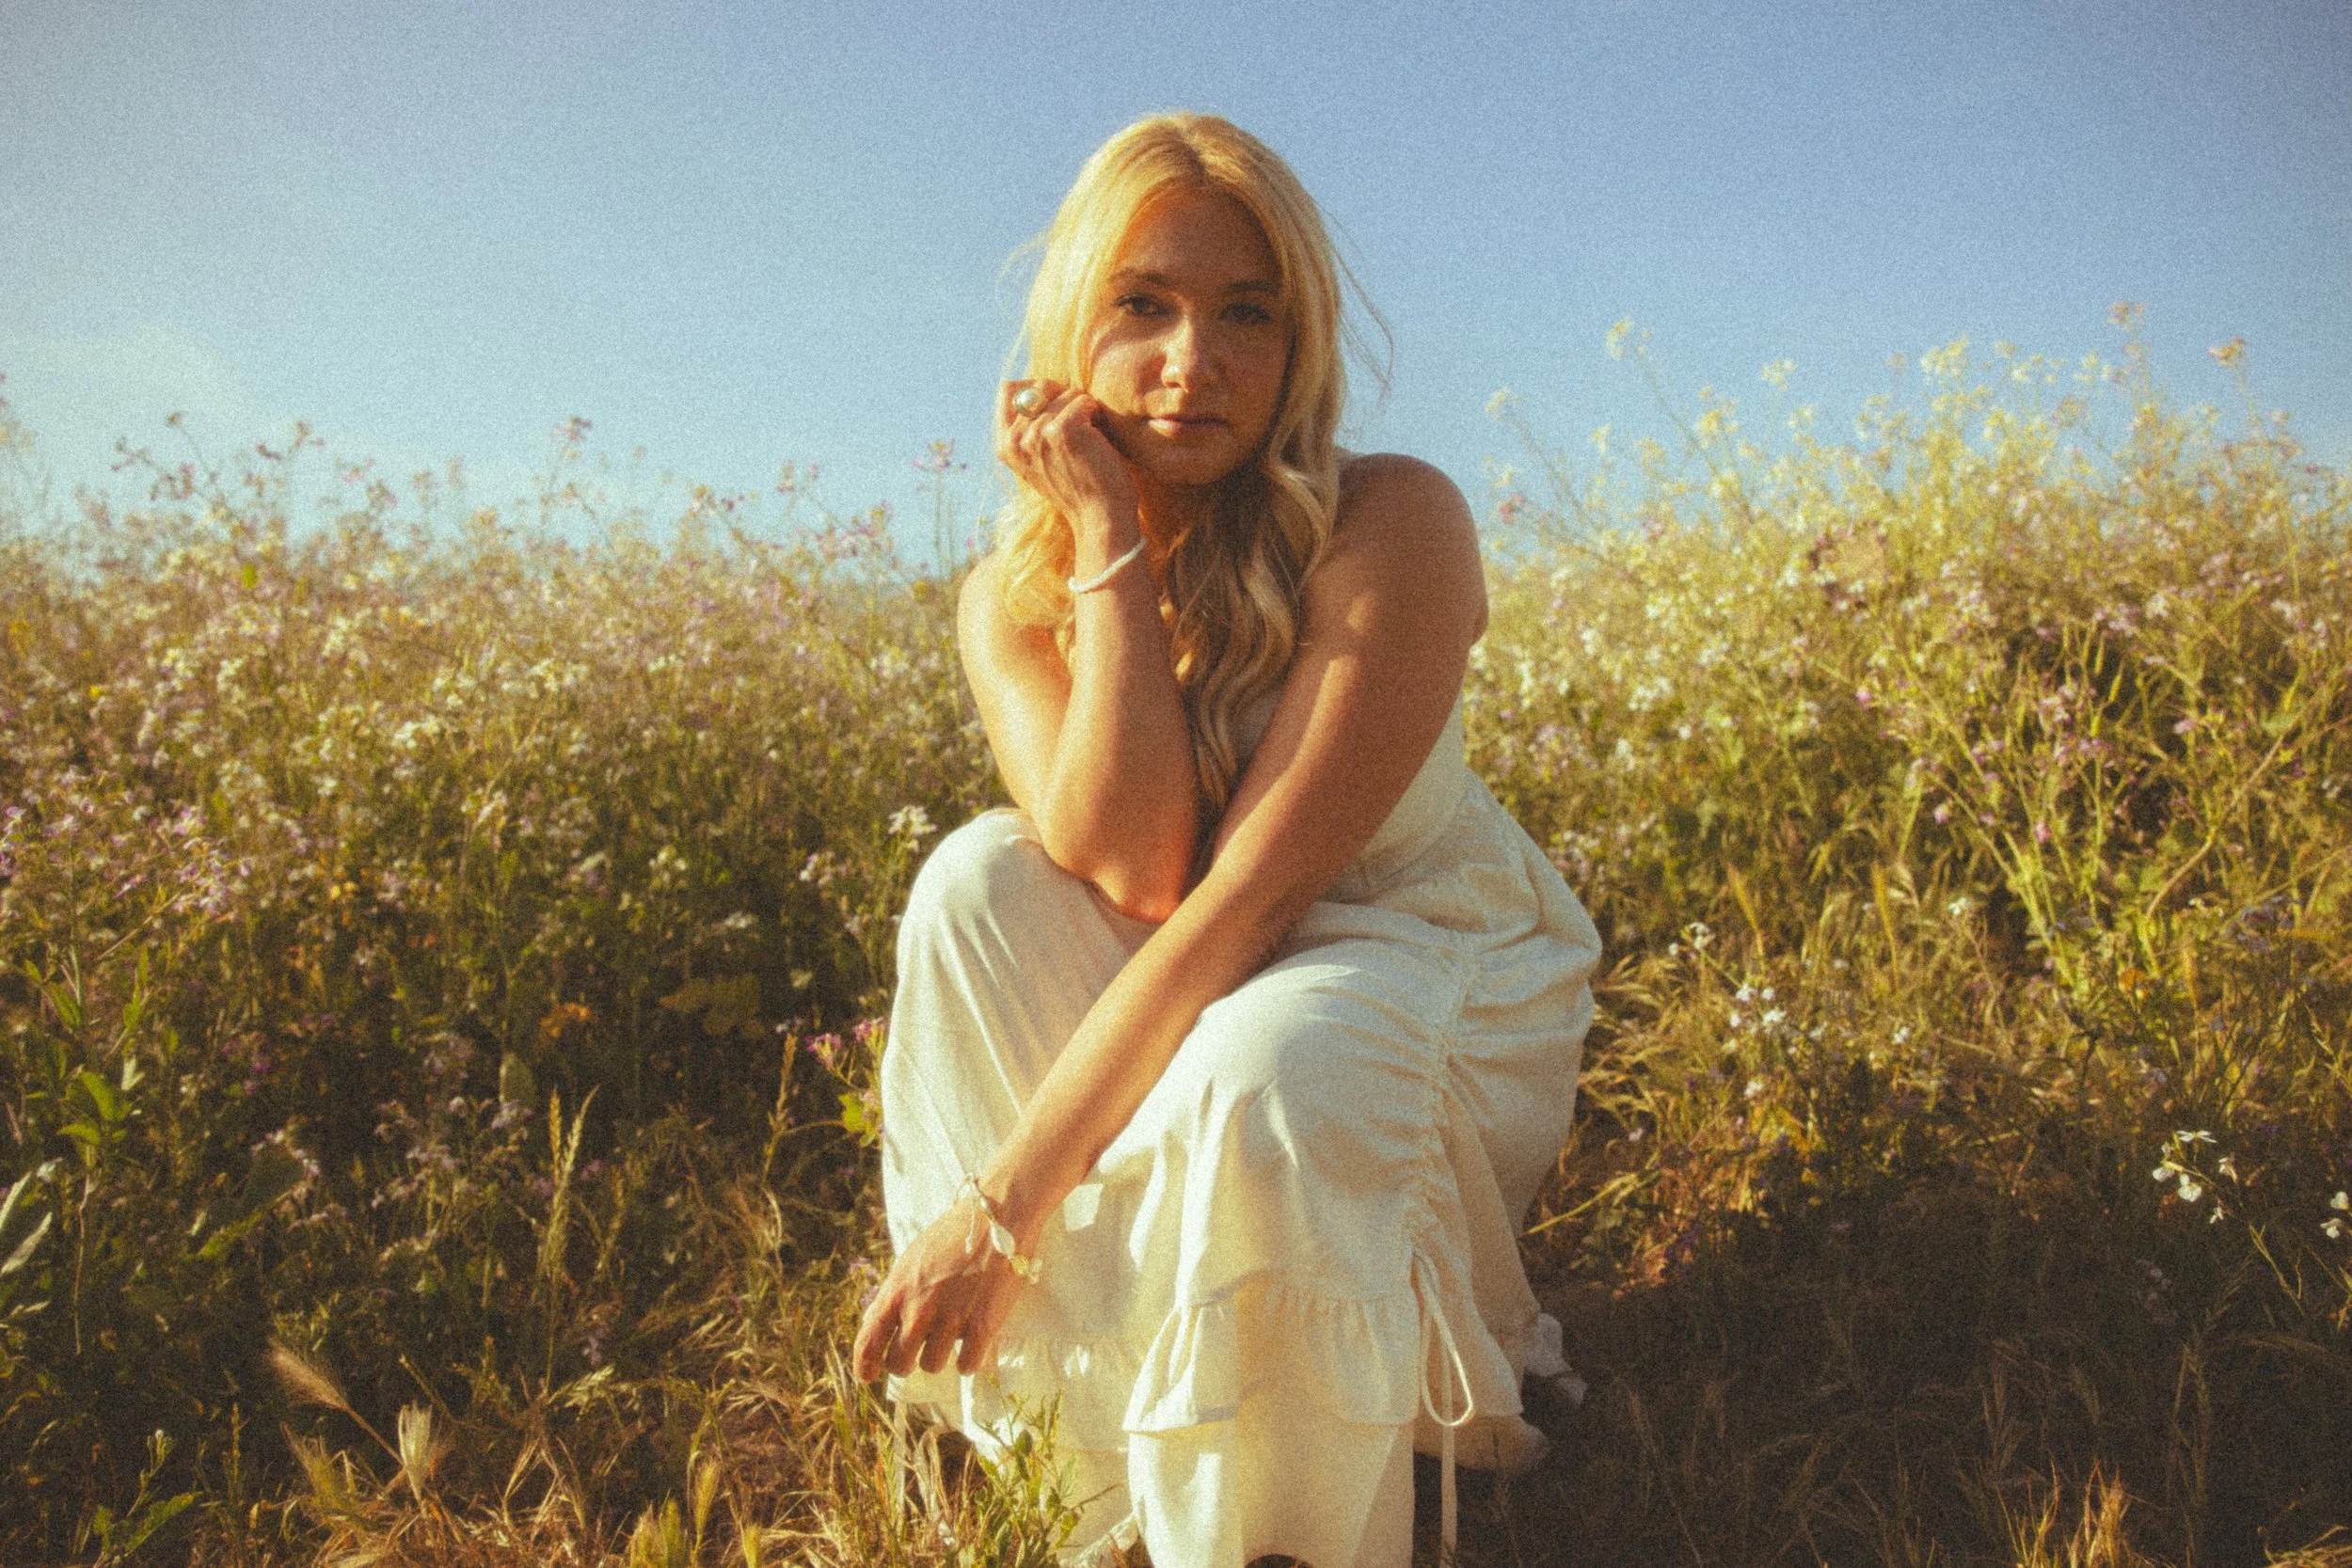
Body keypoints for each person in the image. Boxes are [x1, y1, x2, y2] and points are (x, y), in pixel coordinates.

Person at [850, 113, 1600, 1568]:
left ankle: (1281, 1528)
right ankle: (1097, 1456)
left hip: (1408, 972)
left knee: (1274, 1063)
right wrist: (1110, 547)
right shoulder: (1012, 597)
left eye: (1244, 314)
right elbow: (1133, 870)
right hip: (1207, 979)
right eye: (1144, 305)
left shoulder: (1395, 519)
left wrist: (998, 1207)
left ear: (1298, 341)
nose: (1194, 360)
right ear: (1074, 324)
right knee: (976, 881)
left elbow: (1244, 899)